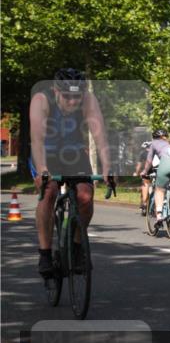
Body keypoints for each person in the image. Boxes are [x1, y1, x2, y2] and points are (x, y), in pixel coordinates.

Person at [29, 68, 112, 287]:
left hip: (74, 152)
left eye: (77, 96)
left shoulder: (88, 99)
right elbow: (37, 141)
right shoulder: (41, 100)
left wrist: (107, 167)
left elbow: (100, 134)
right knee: (49, 192)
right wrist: (43, 170)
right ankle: (45, 254)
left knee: (85, 196)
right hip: (45, 153)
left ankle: (76, 248)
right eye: (67, 97)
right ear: (56, 91)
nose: (73, 102)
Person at [140, 129, 170, 227]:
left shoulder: (154, 143)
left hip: (166, 165)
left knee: (159, 190)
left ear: (154, 137)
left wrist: (144, 171)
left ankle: (159, 216)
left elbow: (149, 161)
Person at [133, 140, 154, 215]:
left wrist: (136, 172)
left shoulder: (143, 153)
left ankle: (144, 204)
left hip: (147, 172)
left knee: (145, 184)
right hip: (157, 171)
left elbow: (139, 165)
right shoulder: (156, 152)